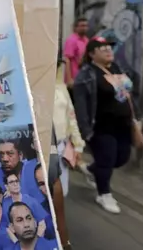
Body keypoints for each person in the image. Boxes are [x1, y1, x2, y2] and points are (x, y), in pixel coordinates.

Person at [72, 36, 141, 214]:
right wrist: (85, 130)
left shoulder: (119, 68)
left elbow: (130, 95)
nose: (109, 51)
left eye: (110, 48)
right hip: (101, 127)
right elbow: (80, 105)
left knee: (121, 158)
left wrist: (137, 119)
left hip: (124, 125)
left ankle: (91, 169)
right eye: (103, 49)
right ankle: (104, 194)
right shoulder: (87, 75)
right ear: (92, 54)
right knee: (107, 160)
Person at [53, 59, 85, 196]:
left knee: (61, 192)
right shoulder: (27, 86)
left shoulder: (60, 87)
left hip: (61, 146)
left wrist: (78, 145)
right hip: (38, 149)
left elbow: (71, 117)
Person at [62, 17, 88, 98]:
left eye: (86, 26)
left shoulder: (86, 40)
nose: (85, 28)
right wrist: (69, 79)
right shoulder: (71, 40)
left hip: (84, 78)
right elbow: (67, 60)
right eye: (82, 26)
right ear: (76, 27)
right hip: (74, 78)